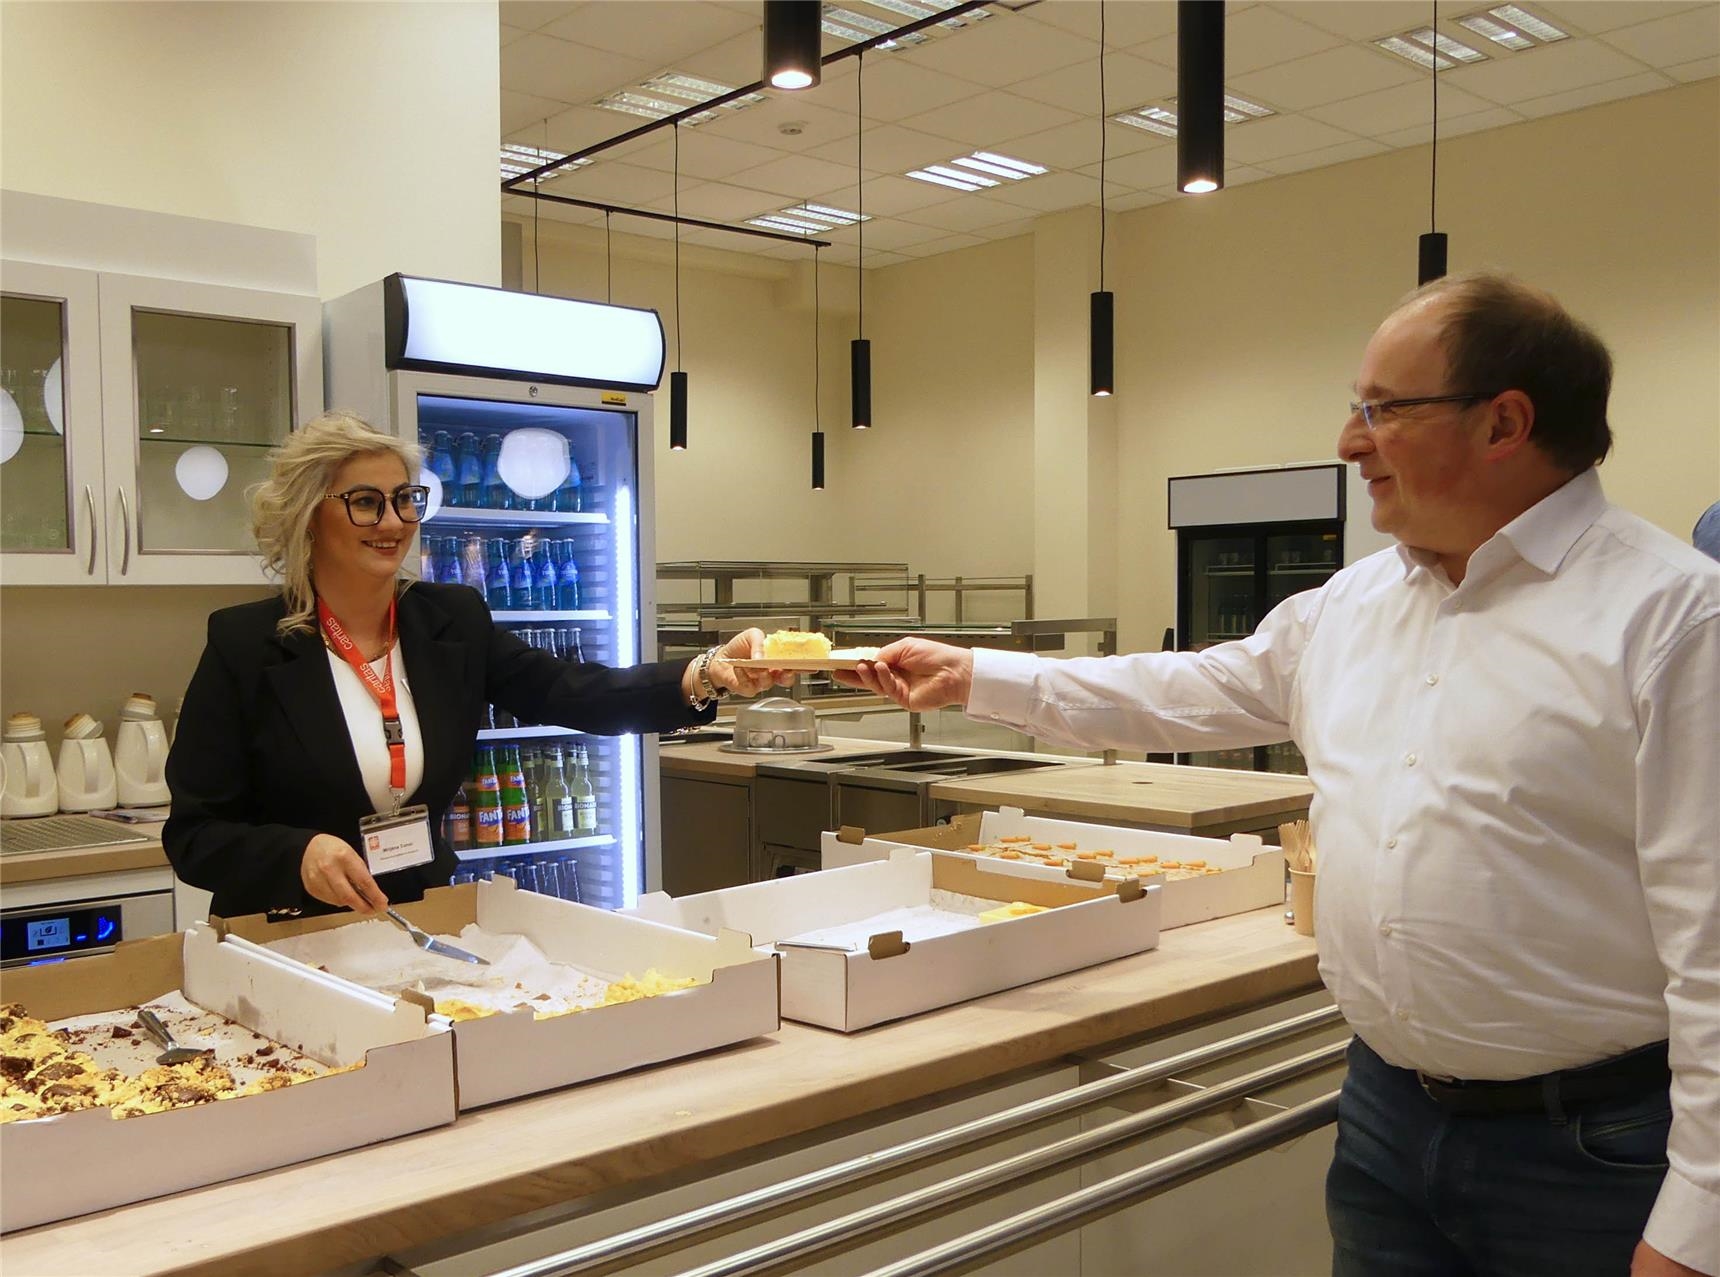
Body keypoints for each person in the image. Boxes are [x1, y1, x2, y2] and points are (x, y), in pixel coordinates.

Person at [838, 273, 1719, 1277]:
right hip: (1387, 1115)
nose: (1350, 442)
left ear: (1503, 422)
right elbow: (1193, 688)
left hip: (1592, 1151)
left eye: (1383, 409)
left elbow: (1716, 951)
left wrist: (1697, 1227)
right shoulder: (1356, 603)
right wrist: (977, 674)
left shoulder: (1674, 621)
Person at [165, 411, 789, 919]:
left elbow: (569, 689)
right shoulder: (245, 644)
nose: (393, 522)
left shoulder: (450, 621)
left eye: (405, 499)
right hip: (285, 932)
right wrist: (297, 853)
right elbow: (195, 836)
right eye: (364, 502)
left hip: (417, 916)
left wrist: (706, 672)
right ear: (308, 516)